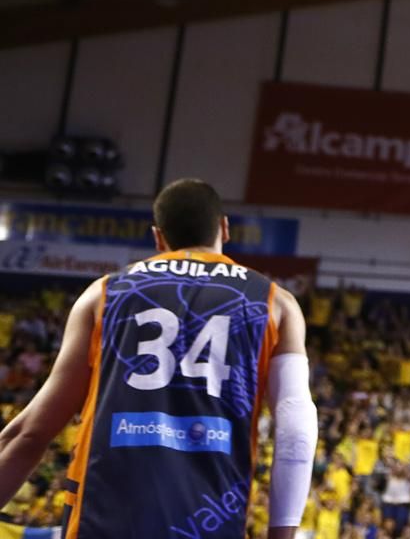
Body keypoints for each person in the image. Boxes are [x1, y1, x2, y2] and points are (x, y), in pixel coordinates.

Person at [0, 178, 315, 537]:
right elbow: (296, 431)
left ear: (157, 236)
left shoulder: (103, 294)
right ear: (224, 228)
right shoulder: (276, 303)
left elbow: (29, 434)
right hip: (210, 526)